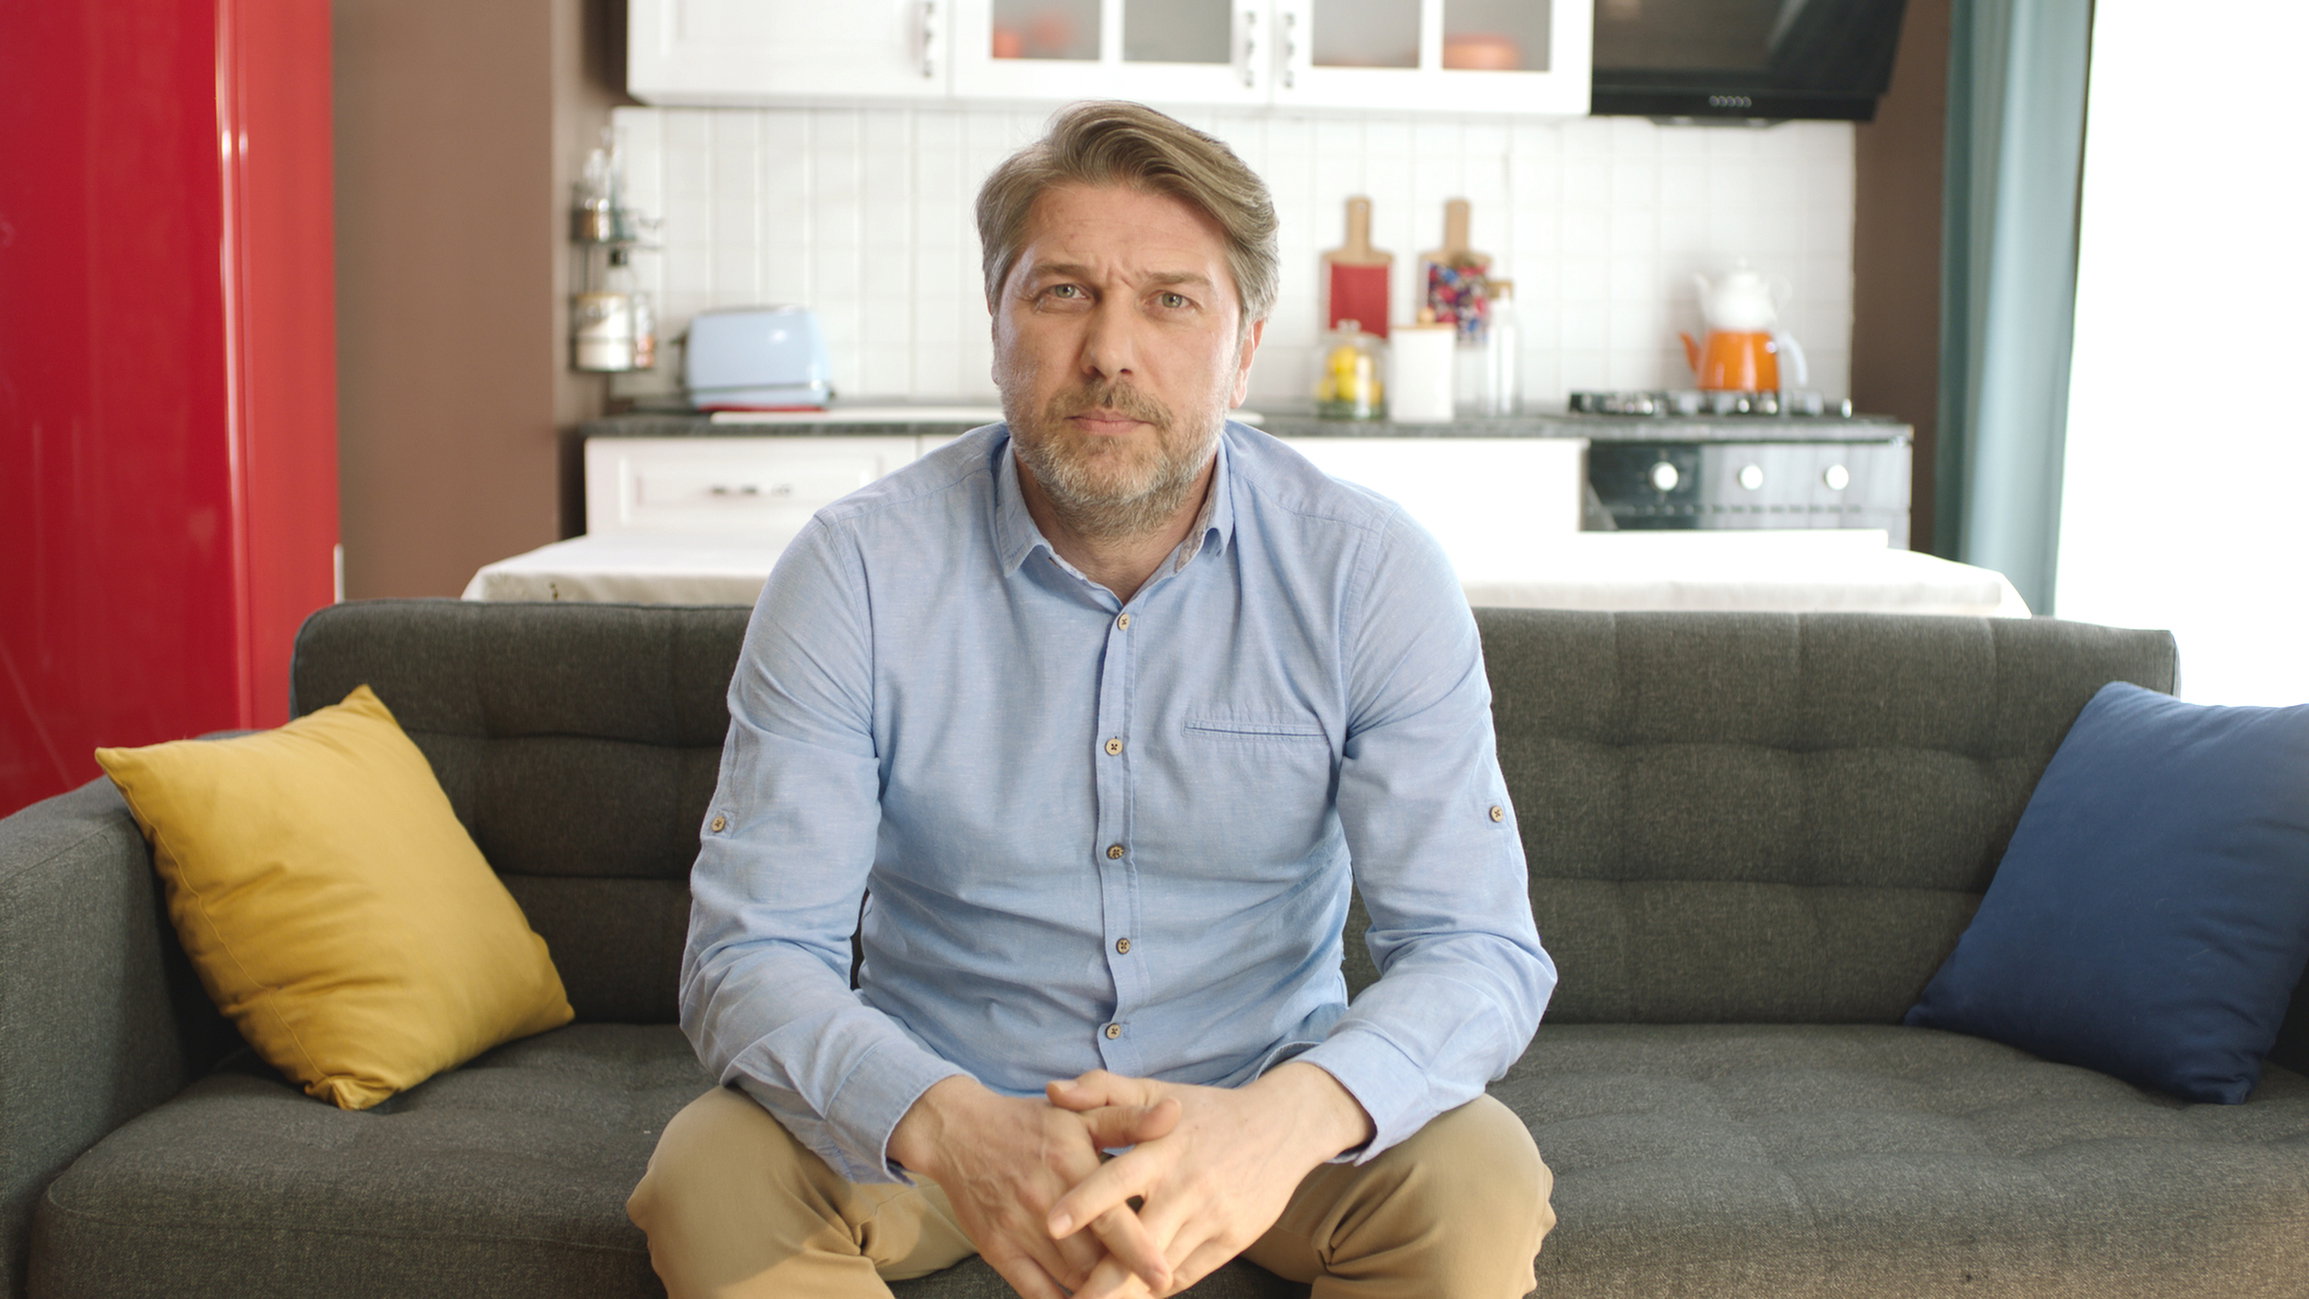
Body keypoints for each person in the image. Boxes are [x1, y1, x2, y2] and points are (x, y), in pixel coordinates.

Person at [627, 100, 1556, 1299]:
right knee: (709, 1171)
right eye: (1062, 291)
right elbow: (752, 954)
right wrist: (949, 1124)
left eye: (1170, 299)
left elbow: (1476, 951)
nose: (1110, 349)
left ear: (1246, 341)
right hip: (944, 1120)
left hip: (1257, 1116)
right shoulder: (855, 571)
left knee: (1477, 1173)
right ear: (998, 319)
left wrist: (1277, 1126)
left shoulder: (1366, 573)